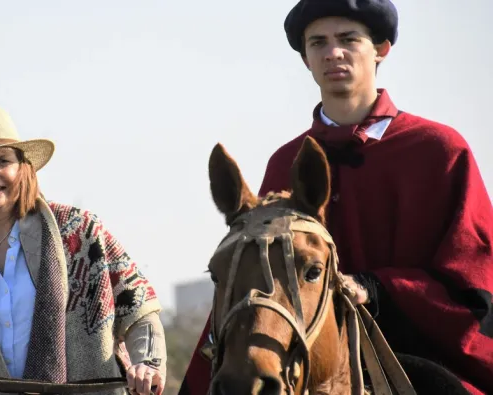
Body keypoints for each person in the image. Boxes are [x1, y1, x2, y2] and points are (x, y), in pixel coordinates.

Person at [180, 0, 493, 394]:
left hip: (419, 351)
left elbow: (474, 284)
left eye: (348, 39)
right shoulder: (285, 162)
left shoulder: (439, 151)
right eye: (318, 43)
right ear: (306, 59)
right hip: (303, 361)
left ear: (381, 49)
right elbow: (254, 275)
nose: (333, 53)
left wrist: (376, 289)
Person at [0, 106, 167, 395]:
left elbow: (140, 309)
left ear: (23, 169)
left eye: (2, 160)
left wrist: (147, 363)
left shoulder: (81, 232)